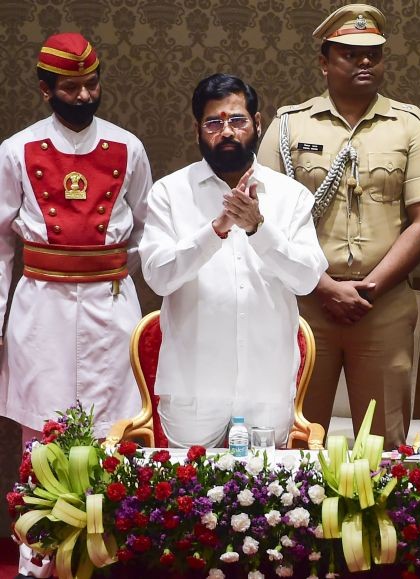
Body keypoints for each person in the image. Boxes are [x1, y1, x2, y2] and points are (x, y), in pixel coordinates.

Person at [258, 3, 420, 447]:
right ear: (324, 63)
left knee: (382, 443)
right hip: (306, 304)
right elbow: (262, 222)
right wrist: (323, 288)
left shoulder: (409, 125)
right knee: (298, 436)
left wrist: (371, 288)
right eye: (349, 53)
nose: (365, 62)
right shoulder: (287, 125)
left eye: (374, 54)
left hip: (381, 304)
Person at [0, 32, 152, 579]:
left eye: (92, 84)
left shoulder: (129, 147)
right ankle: (36, 558)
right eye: (71, 87)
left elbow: (148, 232)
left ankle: (110, 552)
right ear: (46, 90)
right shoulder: (16, 150)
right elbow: (0, 244)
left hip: (112, 304)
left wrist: (112, 272)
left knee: (115, 426)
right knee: (42, 433)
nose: (85, 96)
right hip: (41, 305)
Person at [139, 74, 327, 447]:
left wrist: (259, 229)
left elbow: (306, 279)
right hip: (193, 388)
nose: (226, 131)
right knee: (187, 502)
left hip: (266, 388)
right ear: (197, 130)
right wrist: (216, 230)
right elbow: (159, 277)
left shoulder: (291, 196)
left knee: (265, 503)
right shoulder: (170, 193)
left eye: (237, 120)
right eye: (214, 122)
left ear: (257, 124)